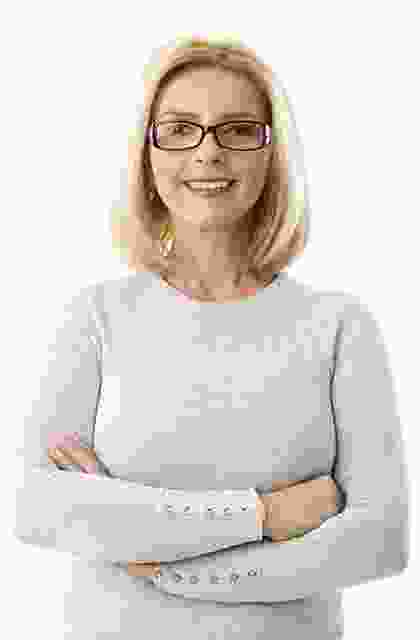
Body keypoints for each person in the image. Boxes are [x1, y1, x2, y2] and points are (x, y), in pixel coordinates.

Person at [14, 34, 410, 639]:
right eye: (180, 129)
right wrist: (263, 515)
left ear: (272, 155)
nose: (208, 152)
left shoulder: (339, 325)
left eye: (238, 130)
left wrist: (160, 559)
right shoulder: (95, 315)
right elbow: (39, 508)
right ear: (146, 155)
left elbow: (379, 542)